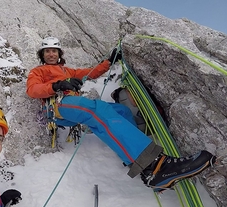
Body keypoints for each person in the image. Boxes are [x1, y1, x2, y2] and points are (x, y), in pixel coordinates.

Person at [26, 36, 216, 190]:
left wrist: (110, 61)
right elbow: (32, 90)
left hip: (71, 106)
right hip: (59, 105)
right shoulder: (38, 71)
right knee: (98, 109)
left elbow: (90, 72)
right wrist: (57, 85)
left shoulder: (66, 70)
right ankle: (154, 165)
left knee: (121, 111)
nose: (51, 54)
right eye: (47, 51)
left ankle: (141, 165)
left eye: (54, 50)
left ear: (59, 53)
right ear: (42, 54)